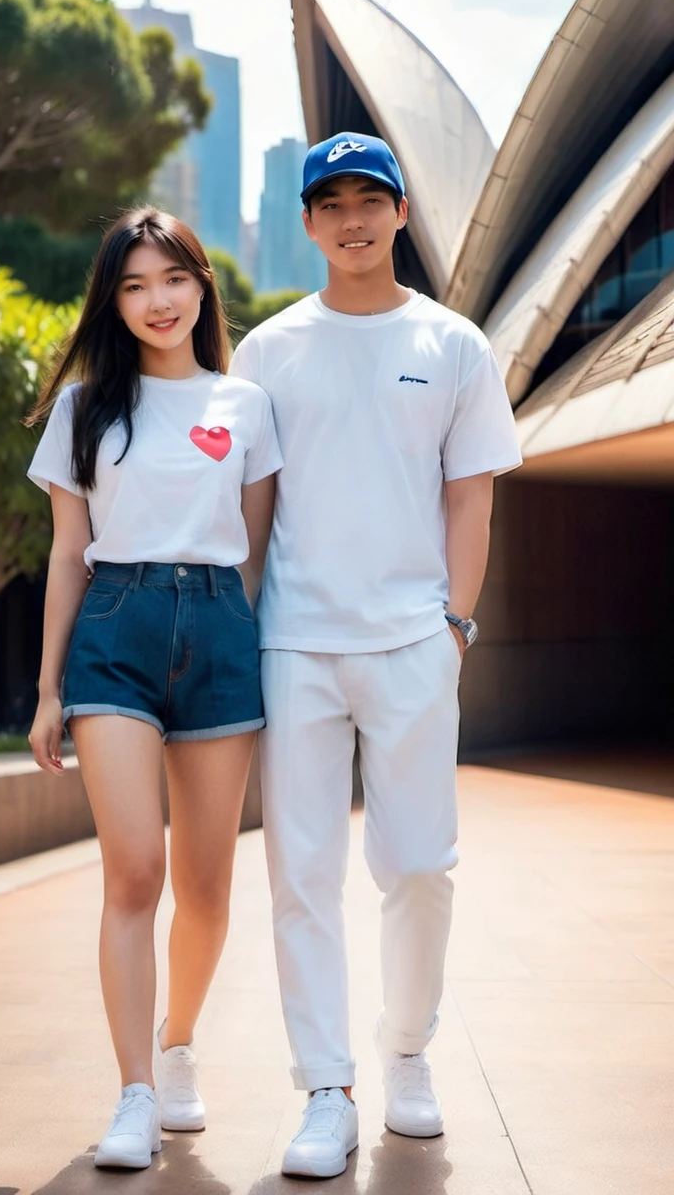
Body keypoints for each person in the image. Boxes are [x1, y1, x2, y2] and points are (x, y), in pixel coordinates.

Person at [230, 131, 522, 1179]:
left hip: (412, 641)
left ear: (401, 212)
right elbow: (250, 510)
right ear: (307, 222)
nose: (351, 218)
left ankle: (406, 1054)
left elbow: (469, 492)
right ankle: (324, 1087)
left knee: (418, 867)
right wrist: (243, 629)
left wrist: (452, 626)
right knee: (300, 874)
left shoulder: (454, 345)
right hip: (294, 643)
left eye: (371, 199)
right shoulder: (265, 351)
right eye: (330, 202)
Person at [26, 208, 282, 1171]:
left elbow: (254, 555)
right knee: (136, 870)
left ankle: (178, 1045)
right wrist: (51, 690)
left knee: (208, 889)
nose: (154, 302)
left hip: (219, 629)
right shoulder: (83, 410)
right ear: (113, 301)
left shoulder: (245, 406)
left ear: (201, 284)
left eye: (169, 279)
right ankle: (134, 1091)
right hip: (114, 630)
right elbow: (64, 555)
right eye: (131, 286)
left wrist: (245, 642)